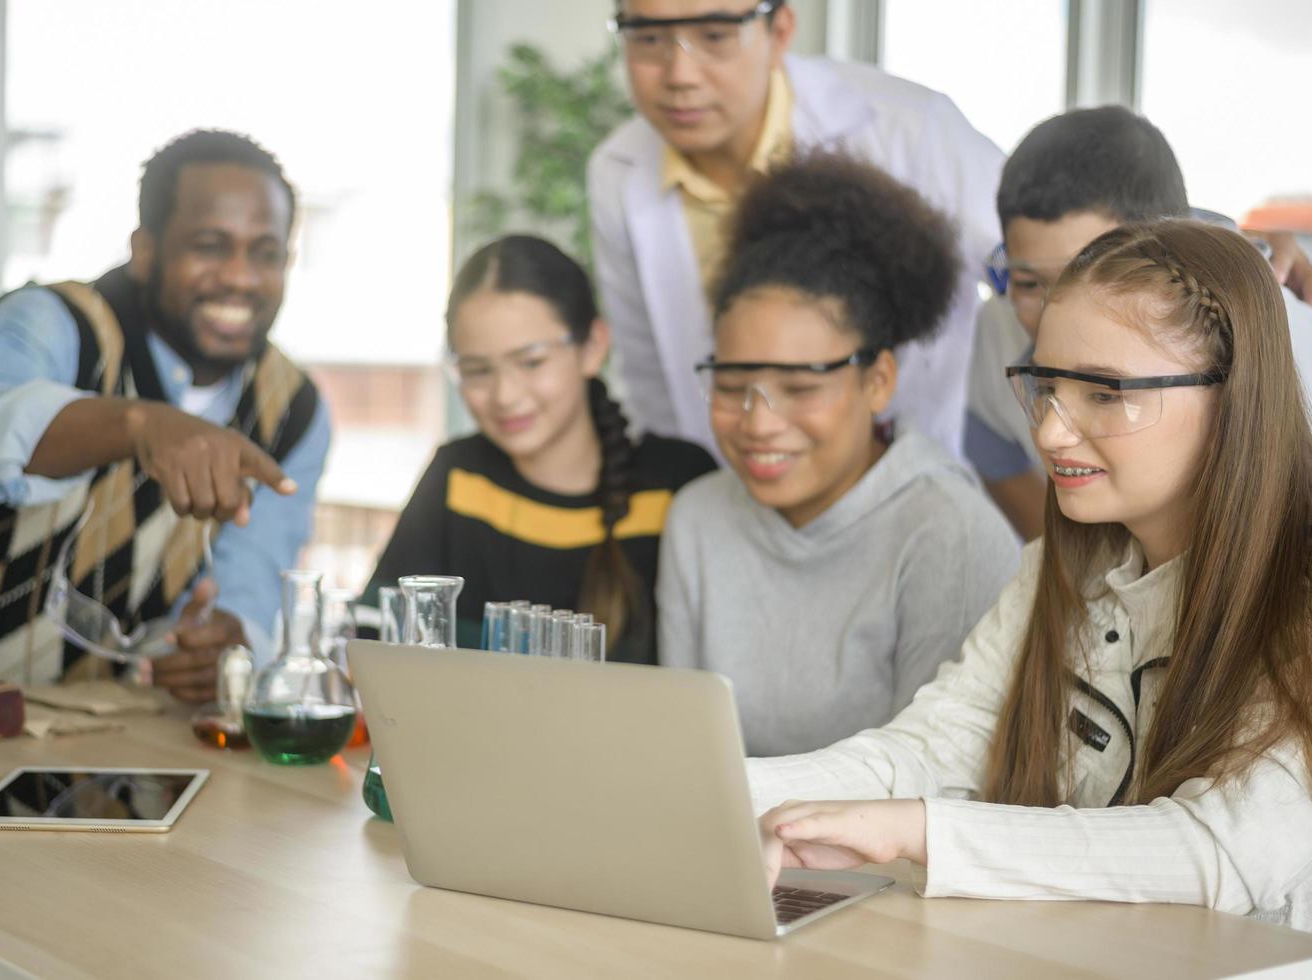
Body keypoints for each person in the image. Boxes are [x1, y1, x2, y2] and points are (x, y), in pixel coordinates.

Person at [751, 221, 1312, 938]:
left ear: (1230, 398)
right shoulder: (1060, 567)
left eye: (1103, 393)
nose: (1051, 432)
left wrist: (925, 833)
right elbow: (932, 749)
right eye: (1047, 385)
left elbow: (1215, 852)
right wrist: (703, 787)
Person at [0, 130, 330, 703]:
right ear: (146, 248)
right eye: (210, 245)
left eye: (266, 253)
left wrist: (228, 641)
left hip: (97, 734)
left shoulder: (295, 409)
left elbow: (250, 579)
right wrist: (139, 425)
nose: (240, 277)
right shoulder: (56, 321)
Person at [657, 152, 1021, 756]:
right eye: (729, 387)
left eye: (800, 388)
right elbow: (681, 755)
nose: (759, 424)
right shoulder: (698, 518)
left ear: (878, 380)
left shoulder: (948, 532)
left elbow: (938, 785)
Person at [589, 0, 1004, 458]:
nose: (680, 74)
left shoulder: (912, 128)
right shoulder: (617, 172)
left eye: (715, 35)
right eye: (648, 38)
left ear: (779, 30)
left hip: (902, 476)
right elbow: (650, 376)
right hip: (729, 488)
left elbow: (1038, 278)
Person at [966, 106, 1312, 539]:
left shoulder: (1268, 332)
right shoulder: (991, 337)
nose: (1056, 311)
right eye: (1028, 282)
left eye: (1087, 271)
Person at [365, 235, 714, 663]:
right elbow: (373, 641)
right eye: (477, 371)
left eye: (531, 362)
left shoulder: (676, 483)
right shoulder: (457, 478)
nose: (505, 395)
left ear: (592, 347)